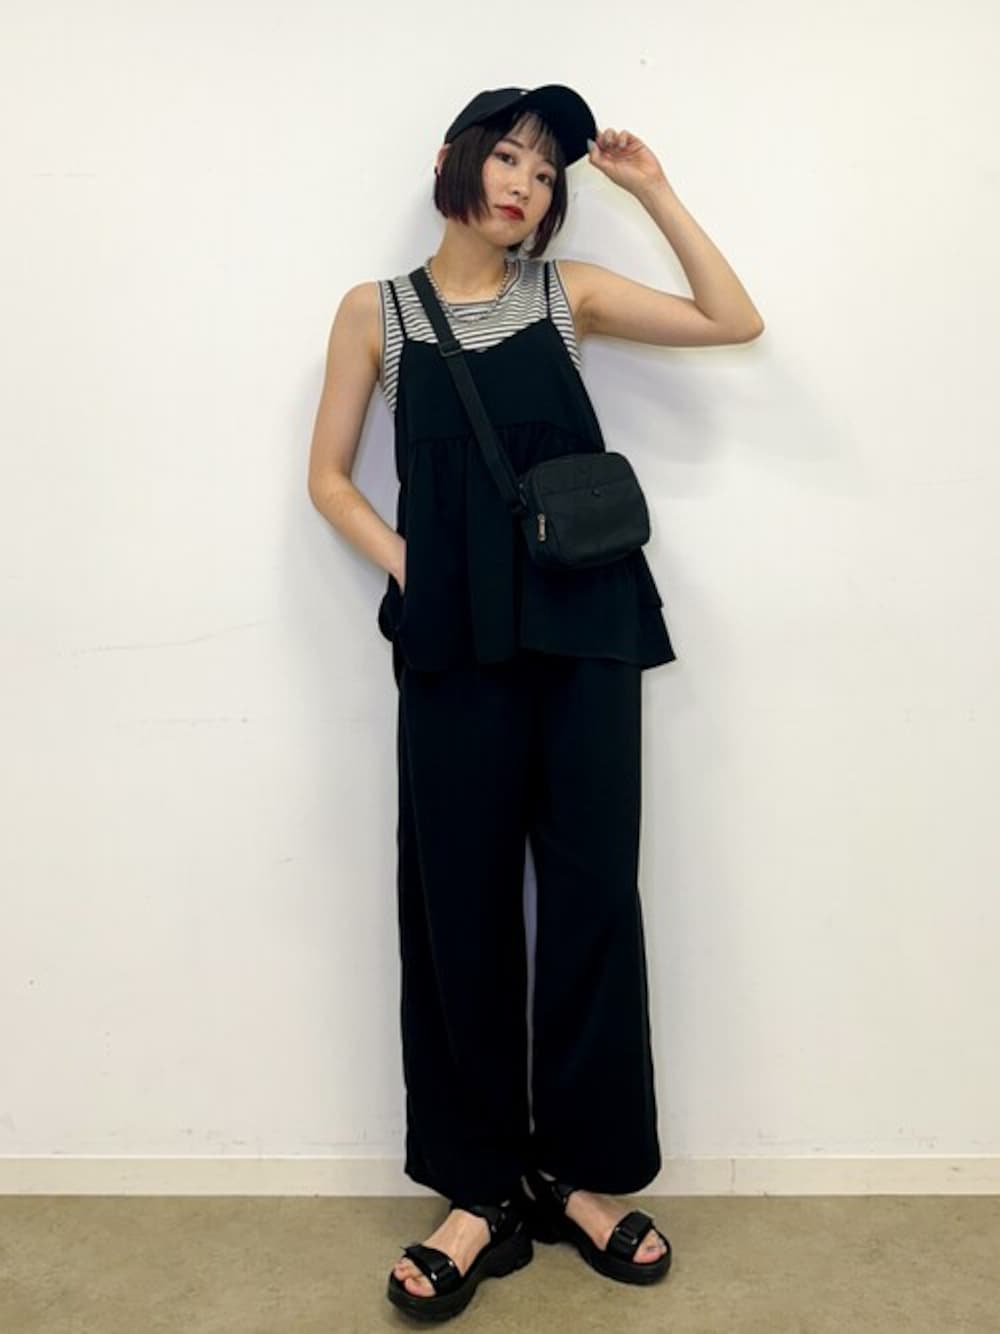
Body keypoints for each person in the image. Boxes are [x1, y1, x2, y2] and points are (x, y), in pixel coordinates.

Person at [307, 84, 764, 1322]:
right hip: (454, 643)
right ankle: (477, 1188)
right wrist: (416, 566)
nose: (526, 183)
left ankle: (578, 1172)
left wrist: (651, 189)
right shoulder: (376, 311)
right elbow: (329, 479)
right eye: (509, 156)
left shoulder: (567, 297)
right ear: (454, 160)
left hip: (584, 628)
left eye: (548, 173)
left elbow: (732, 318)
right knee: (456, 905)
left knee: (592, 895)